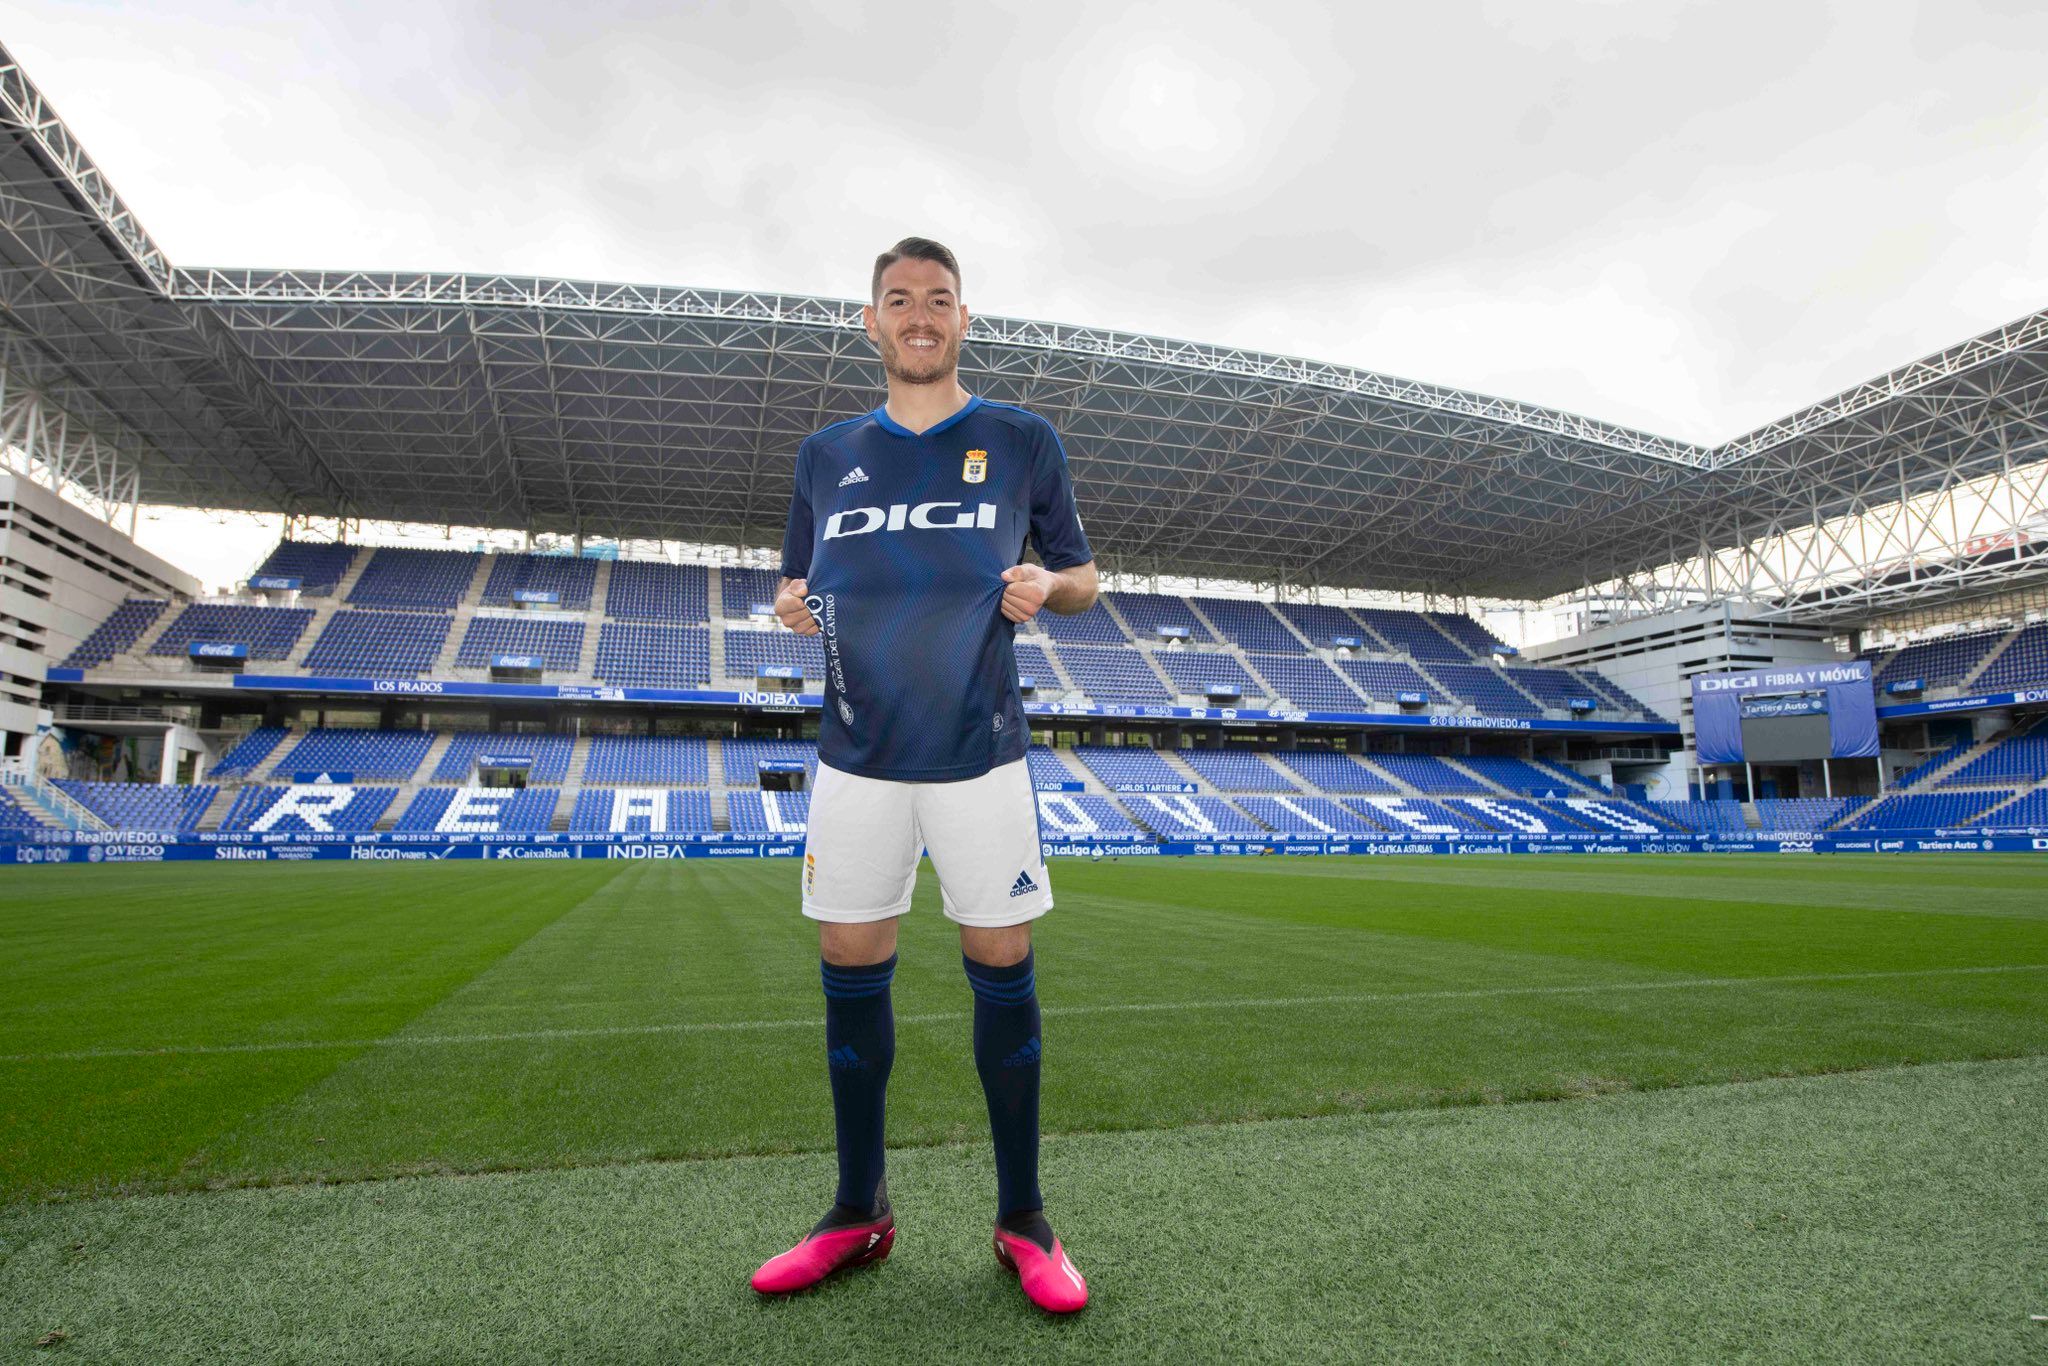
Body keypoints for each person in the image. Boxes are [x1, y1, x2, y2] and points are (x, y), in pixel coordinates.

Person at [748, 237, 1098, 1314]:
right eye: (898, 299)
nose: (918, 315)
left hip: (978, 748)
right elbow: (795, 583)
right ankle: (856, 1209)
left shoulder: (1019, 438)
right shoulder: (823, 455)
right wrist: (787, 605)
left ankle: (1023, 1221)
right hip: (854, 750)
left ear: (960, 318)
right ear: (870, 320)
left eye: (936, 300)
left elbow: (1082, 577)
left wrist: (1048, 584)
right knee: (850, 953)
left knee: (1000, 953)